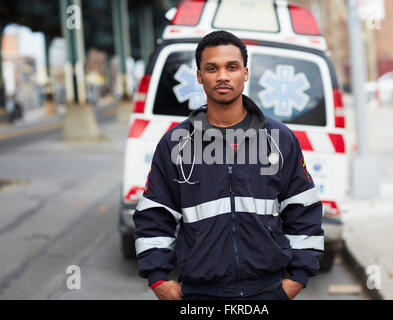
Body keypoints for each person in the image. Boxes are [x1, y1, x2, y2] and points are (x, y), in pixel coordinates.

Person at [133, 30, 324, 300]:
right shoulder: (176, 143)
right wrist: (158, 279)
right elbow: (154, 215)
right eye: (212, 68)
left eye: (231, 67)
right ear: (199, 76)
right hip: (199, 293)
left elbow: (303, 210)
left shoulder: (279, 139)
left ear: (245, 73)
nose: (222, 76)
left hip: (268, 291)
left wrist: (297, 279)